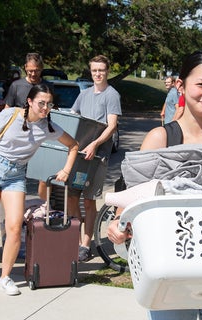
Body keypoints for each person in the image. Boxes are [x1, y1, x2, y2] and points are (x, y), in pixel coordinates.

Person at [108, 50, 202, 320]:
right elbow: (135, 196)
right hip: (171, 269)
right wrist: (119, 224)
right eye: (201, 84)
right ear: (181, 85)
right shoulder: (160, 138)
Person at [0, 84, 79, 295]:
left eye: (49, 104)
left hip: (15, 176)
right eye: (41, 103)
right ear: (29, 101)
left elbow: (74, 145)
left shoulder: (48, 127)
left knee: (14, 226)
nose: (45, 108)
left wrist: (66, 170)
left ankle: (5, 277)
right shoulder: (10, 115)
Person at [68, 55, 121, 262]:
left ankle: (85, 244)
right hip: (79, 154)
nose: (98, 74)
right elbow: (73, 116)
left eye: (101, 70)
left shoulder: (111, 95)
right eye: (94, 70)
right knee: (72, 197)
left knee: (89, 201)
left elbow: (112, 125)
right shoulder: (84, 94)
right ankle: (77, 233)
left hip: (98, 156)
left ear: (107, 71)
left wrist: (95, 144)